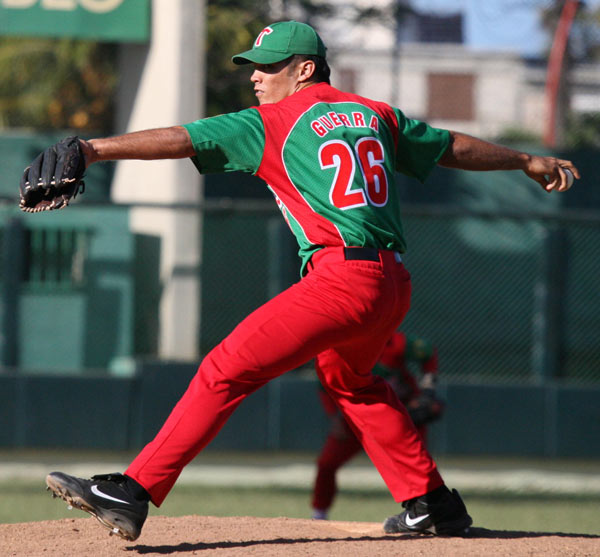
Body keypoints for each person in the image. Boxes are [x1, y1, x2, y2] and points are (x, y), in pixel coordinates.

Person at [41, 20, 579, 541]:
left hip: (340, 279)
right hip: (390, 282)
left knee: (225, 368)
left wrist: (93, 149)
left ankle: (133, 490)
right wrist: (524, 159)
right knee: (352, 382)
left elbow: (183, 138)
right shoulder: (374, 113)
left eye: (268, 67)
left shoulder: (272, 122)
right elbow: (448, 146)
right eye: (251, 67)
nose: (255, 76)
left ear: (304, 70)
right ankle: (432, 504)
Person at [311, 330, 443, 520]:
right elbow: (324, 382)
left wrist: (428, 390)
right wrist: (334, 416)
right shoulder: (342, 345)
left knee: (421, 467)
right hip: (353, 416)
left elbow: (427, 352)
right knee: (326, 463)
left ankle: (428, 510)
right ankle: (319, 513)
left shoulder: (394, 342)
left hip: (396, 414)